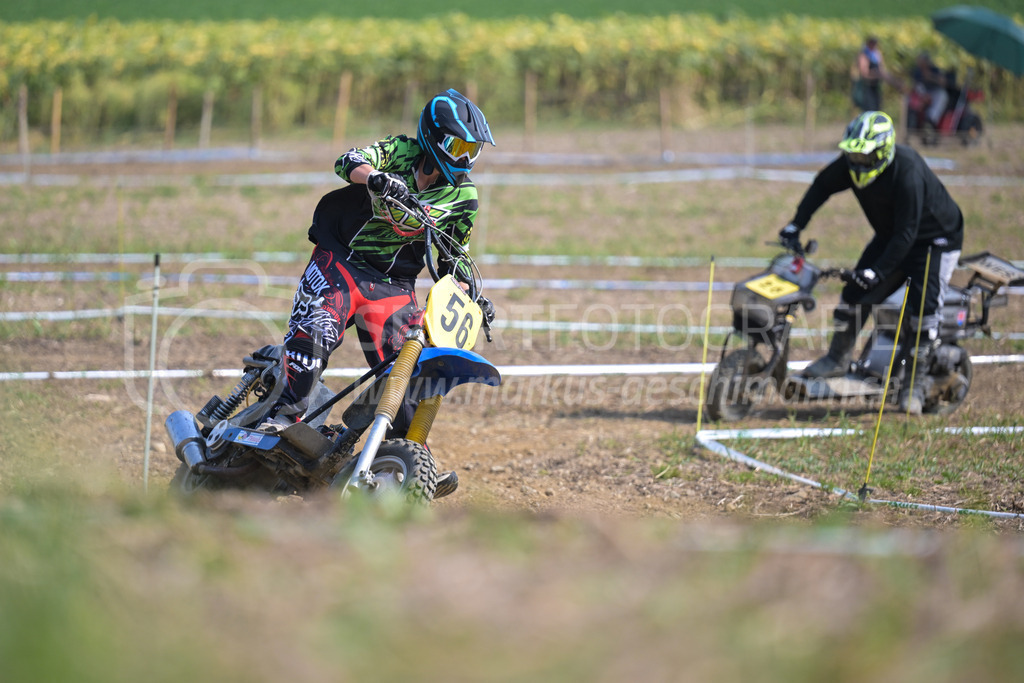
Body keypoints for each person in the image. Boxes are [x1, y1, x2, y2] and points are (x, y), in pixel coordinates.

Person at [267, 88, 496, 495]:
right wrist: (375, 177)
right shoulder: (402, 151)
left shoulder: (464, 196)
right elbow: (348, 161)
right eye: (457, 146)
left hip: (392, 286)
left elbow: (455, 254)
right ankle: (284, 417)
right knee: (315, 337)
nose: (464, 159)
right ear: (432, 138)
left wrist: (469, 290)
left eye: (472, 150)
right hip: (341, 262)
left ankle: (408, 455)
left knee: (410, 371)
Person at [778, 111, 964, 414]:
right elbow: (822, 185)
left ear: (883, 152)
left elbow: (908, 234)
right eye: (852, 155)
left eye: (864, 157)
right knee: (854, 292)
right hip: (893, 234)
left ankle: (913, 387)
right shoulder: (852, 165)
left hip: (933, 241)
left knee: (923, 313)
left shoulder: (907, 173)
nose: (857, 163)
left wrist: (877, 272)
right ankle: (837, 358)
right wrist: (795, 224)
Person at [851, 36, 902, 112]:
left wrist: (891, 79)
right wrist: (876, 74)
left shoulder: (877, 54)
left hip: (876, 86)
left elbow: (882, 69)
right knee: (868, 109)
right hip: (867, 86)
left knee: (877, 108)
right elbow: (864, 73)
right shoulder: (864, 55)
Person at [911, 51, 949, 131]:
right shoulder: (917, 71)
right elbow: (915, 85)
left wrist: (931, 77)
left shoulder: (934, 70)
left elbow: (943, 82)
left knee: (942, 95)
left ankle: (931, 119)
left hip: (935, 92)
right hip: (921, 94)